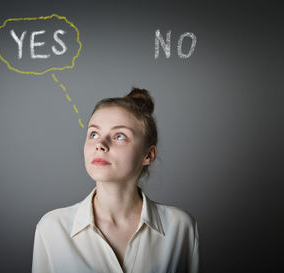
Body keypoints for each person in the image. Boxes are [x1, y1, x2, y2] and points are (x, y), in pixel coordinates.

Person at [32, 88, 200, 273]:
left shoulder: (181, 227)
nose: (100, 145)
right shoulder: (52, 229)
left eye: (119, 136)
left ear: (148, 154)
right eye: (94, 134)